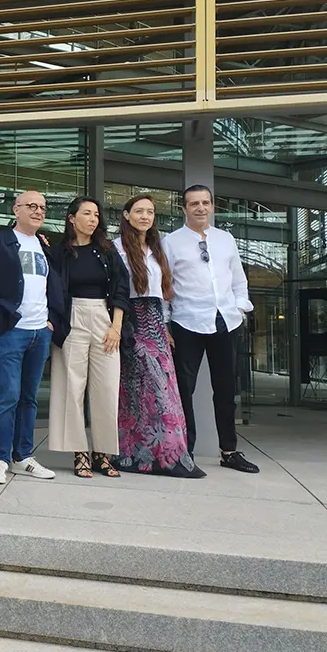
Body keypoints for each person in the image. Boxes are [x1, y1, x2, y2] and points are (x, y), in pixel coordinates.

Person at [165, 185, 260, 474]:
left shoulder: (225, 239)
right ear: (184, 208)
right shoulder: (171, 242)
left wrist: (240, 307)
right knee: (185, 390)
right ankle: (185, 452)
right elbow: (165, 286)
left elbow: (239, 279)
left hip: (225, 322)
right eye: (194, 203)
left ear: (212, 206)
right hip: (187, 322)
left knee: (226, 390)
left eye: (205, 202)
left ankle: (229, 451)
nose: (200, 208)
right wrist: (166, 322)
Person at [0, 191, 62, 485]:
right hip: (12, 331)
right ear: (16, 210)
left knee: (29, 398)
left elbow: (55, 285)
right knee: (8, 396)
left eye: (42, 207)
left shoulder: (44, 245)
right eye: (31, 206)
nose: (38, 211)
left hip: (40, 332)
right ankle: (0, 459)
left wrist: (51, 321)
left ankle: (22, 456)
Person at [114, 195, 205, 479]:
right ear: (126, 215)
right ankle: (132, 455)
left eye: (150, 212)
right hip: (131, 321)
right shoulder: (116, 248)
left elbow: (162, 293)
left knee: (166, 391)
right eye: (139, 211)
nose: (145, 216)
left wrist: (164, 326)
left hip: (156, 322)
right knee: (137, 392)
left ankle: (169, 455)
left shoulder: (157, 248)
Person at [48, 197, 130, 479]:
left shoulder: (107, 251)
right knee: (71, 386)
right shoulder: (59, 253)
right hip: (72, 318)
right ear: (72, 218)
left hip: (103, 318)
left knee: (107, 387)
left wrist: (116, 326)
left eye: (96, 214)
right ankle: (79, 452)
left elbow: (121, 287)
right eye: (87, 214)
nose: (93, 219)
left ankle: (103, 452)